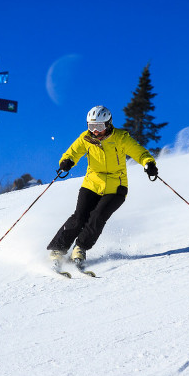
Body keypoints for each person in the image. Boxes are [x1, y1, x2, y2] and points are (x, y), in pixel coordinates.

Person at [47, 105, 158, 268]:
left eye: (99, 126)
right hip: (92, 183)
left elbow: (139, 153)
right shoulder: (86, 138)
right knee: (79, 217)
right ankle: (58, 249)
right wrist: (67, 161)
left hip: (116, 187)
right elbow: (73, 152)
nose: (95, 131)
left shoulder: (121, 138)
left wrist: (149, 164)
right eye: (91, 127)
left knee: (98, 217)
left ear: (108, 124)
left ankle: (80, 248)